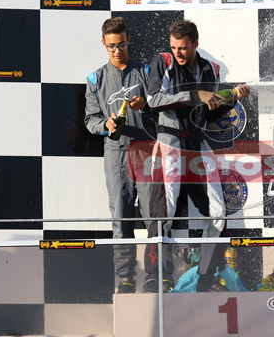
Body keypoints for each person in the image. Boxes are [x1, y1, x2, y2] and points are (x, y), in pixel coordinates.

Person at [146, 19, 250, 292]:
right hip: (169, 143)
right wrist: (196, 94)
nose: (177, 53)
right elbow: (153, 100)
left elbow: (209, 113)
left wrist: (232, 100)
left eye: (182, 48)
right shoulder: (163, 61)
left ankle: (206, 276)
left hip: (197, 144)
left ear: (195, 44)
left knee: (218, 213)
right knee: (163, 214)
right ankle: (154, 278)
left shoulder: (209, 69)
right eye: (174, 47)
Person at [84, 17, 156, 294]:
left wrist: (145, 105)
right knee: (121, 217)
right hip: (115, 152)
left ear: (129, 41)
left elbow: (163, 108)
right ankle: (125, 278)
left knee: (154, 216)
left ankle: (156, 275)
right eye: (111, 46)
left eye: (121, 44)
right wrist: (106, 124)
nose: (117, 50)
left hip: (147, 150)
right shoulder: (95, 79)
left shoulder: (146, 72)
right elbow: (90, 120)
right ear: (103, 44)